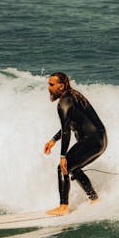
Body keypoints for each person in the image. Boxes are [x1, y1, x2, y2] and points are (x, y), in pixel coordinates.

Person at [44, 72, 107, 216]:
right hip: (100, 140)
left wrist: (62, 155)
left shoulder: (64, 102)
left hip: (91, 141)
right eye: (48, 84)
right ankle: (94, 199)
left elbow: (66, 131)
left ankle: (63, 207)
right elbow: (69, 125)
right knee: (74, 168)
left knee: (63, 168)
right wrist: (53, 140)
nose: (48, 88)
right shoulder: (72, 96)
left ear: (61, 86)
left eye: (51, 85)